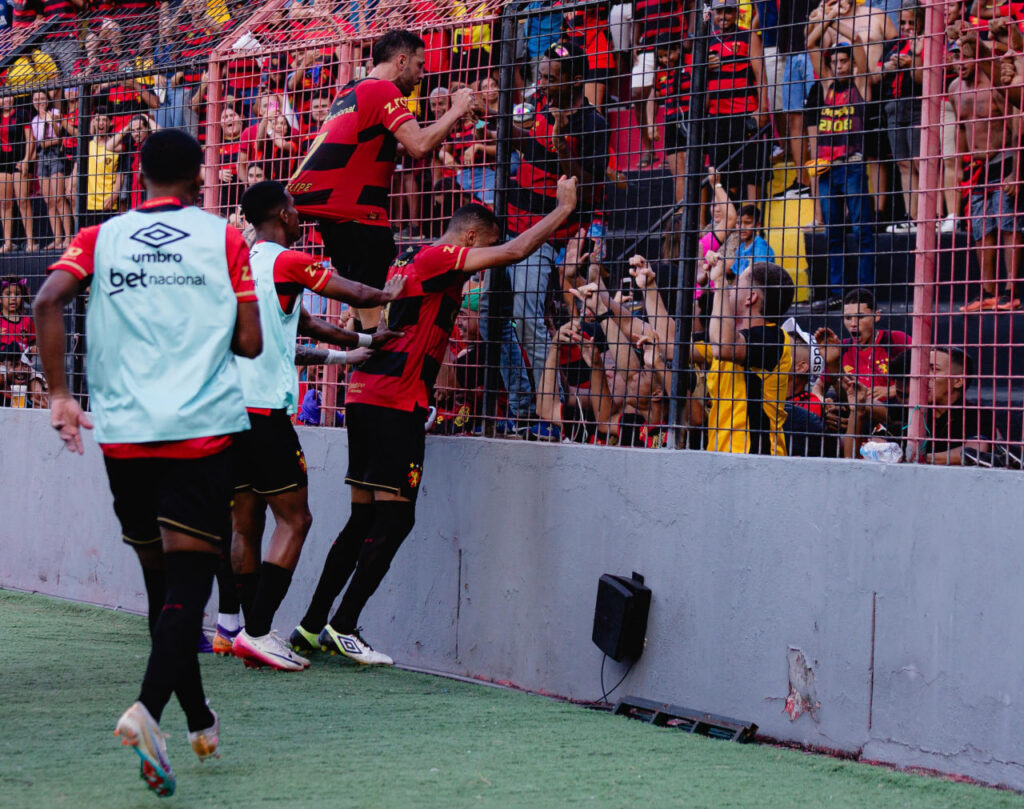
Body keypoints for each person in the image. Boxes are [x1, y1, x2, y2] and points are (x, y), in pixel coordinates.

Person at [33, 129, 262, 798]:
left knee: (166, 593)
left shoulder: (99, 239)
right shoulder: (222, 237)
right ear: (199, 175)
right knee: (187, 588)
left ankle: (198, 719)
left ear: (138, 173)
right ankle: (147, 710)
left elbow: (47, 300)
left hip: (124, 436)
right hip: (199, 433)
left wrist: (61, 396)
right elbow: (249, 342)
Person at [289, 176, 579, 666]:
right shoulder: (443, 258)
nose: (482, 264)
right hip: (394, 399)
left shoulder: (414, 259)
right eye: (481, 249)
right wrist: (562, 211)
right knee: (397, 518)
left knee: (363, 517)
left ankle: (310, 626)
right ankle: (342, 624)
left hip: (366, 394)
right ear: (468, 239)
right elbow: (512, 253)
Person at [226, 180, 406, 671]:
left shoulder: (244, 264)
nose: (300, 216)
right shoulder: (286, 260)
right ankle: (258, 631)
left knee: (246, 522)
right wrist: (392, 291)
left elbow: (303, 324)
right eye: (295, 209)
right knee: (295, 519)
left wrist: (358, 343)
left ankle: (249, 629)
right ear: (283, 213)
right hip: (263, 411)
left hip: (226, 410)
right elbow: (349, 288)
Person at [287, 29, 474, 331]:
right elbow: (419, 146)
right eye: (420, 65)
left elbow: (390, 147)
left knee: (362, 317)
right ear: (401, 61)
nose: (422, 74)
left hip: (337, 220)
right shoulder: (383, 91)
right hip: (361, 220)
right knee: (376, 331)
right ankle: (374, 369)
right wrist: (456, 109)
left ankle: (359, 363)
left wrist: (447, 126)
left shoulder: (350, 90)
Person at [501, 42, 608, 436]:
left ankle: (548, 411)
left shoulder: (593, 123)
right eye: (540, 76)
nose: (542, 84)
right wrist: (495, 120)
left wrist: (563, 145)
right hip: (509, 227)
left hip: (546, 235)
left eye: (551, 78)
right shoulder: (536, 106)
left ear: (576, 81)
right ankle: (523, 408)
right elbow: (519, 142)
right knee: (489, 321)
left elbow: (592, 189)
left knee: (524, 312)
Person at [949, 32, 1023, 312]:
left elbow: (1016, 124)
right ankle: (987, 291)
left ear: (978, 56)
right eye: (957, 56)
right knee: (981, 230)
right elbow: (961, 129)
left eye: (966, 55)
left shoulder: (996, 86)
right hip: (976, 167)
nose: (961, 62)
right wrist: (960, 171)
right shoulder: (955, 88)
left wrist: (1016, 170)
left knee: (1008, 226)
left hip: (1003, 158)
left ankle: (1011, 291)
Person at [804, 32, 875, 310]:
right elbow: (810, 44)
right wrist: (827, 19)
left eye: (844, 61)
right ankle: (837, 292)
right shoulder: (825, 87)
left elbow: (858, 39)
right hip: (826, 170)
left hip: (853, 165)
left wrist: (838, 20)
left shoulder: (860, 85)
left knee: (861, 230)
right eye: (835, 62)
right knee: (832, 232)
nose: (840, 66)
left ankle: (865, 293)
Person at [704, 258, 795, 455]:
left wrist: (720, 283)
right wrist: (649, 286)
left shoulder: (774, 338)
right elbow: (668, 344)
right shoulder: (725, 335)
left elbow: (723, 347)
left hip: (756, 460)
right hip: (719, 455)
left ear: (751, 297)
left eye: (737, 283)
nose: (732, 287)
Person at [704, 0, 769, 202]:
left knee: (752, 168)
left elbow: (761, 75)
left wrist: (762, 110)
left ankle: (752, 215)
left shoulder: (748, 36)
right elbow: (702, 84)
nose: (723, 16)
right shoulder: (707, 42)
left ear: (736, 12)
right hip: (717, 115)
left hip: (746, 111)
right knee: (722, 172)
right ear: (713, 13)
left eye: (728, 12)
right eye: (719, 12)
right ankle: (727, 221)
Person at [921, 347, 997, 465]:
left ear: (958, 381)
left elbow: (973, 452)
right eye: (924, 369)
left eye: (934, 369)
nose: (925, 376)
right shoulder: (915, 410)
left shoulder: (977, 414)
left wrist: (919, 458)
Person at [732, 204, 775, 274]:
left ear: (757, 225)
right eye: (738, 223)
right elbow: (737, 276)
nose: (742, 227)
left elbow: (760, 277)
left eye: (747, 223)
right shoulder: (740, 248)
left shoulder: (760, 247)